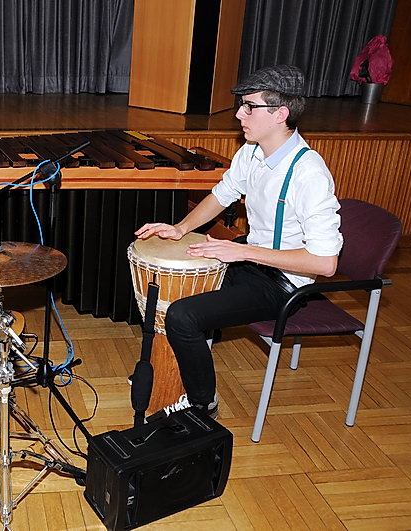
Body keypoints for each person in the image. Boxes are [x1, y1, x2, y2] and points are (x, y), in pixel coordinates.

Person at [134, 65, 343, 419]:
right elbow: (223, 194)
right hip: (250, 259)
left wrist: (242, 251)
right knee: (170, 284)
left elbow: (325, 263)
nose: (238, 115)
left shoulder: (309, 175)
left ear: (280, 114)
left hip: (284, 284)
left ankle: (202, 403)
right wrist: (181, 228)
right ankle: (171, 372)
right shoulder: (252, 151)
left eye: (249, 107)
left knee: (182, 315)